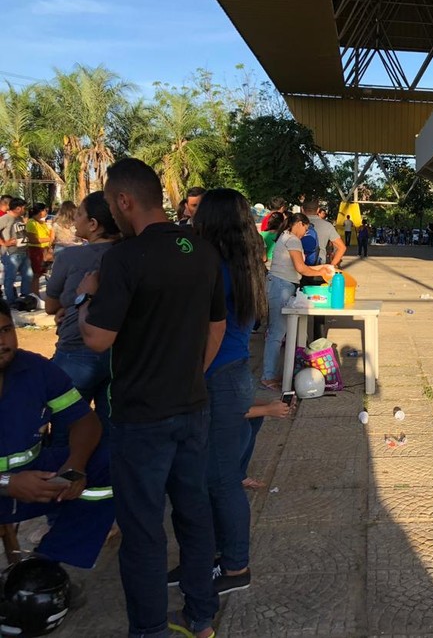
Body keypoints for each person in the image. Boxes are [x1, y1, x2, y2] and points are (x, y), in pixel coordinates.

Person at [77, 158, 224, 638]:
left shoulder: (122, 258)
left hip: (139, 415)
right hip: (192, 405)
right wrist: (191, 373)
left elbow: (97, 339)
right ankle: (202, 616)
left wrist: (85, 298)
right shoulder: (201, 250)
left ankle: (149, 630)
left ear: (123, 201)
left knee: (142, 531)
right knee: (193, 514)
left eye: (113, 203)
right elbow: (216, 325)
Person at [177, 188, 275, 595]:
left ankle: (234, 568)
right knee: (214, 476)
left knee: (221, 479)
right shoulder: (245, 262)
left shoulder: (213, 265)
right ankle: (209, 560)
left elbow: (211, 330)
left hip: (217, 375)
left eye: (199, 212)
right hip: (233, 372)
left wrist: (191, 374)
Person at [0, 299, 114, 579]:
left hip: (35, 482)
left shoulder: (32, 368)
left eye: (5, 330)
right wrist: (7, 483)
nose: (1, 341)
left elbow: (83, 420)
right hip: (8, 486)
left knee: (111, 461)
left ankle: (45, 568)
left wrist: (75, 466)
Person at [44, 192, 120, 432]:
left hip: (75, 350)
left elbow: (50, 306)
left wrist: (69, 306)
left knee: (67, 428)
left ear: (94, 224)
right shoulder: (127, 255)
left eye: (78, 214)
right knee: (110, 427)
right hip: (118, 354)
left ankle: (68, 470)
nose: (74, 219)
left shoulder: (70, 257)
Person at [260, 213, 336, 390]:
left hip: (281, 284)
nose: (305, 233)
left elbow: (301, 267)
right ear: (300, 224)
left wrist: (324, 268)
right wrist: (322, 272)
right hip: (282, 286)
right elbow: (301, 268)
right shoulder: (293, 239)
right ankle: (268, 376)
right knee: (277, 333)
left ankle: (274, 373)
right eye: (306, 229)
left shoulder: (286, 236)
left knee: (280, 332)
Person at [0, 198, 31, 303]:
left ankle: (25, 297)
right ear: (18, 208)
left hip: (23, 252)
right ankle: (11, 301)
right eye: (24, 208)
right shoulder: (6, 218)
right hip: (11, 253)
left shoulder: (19, 219)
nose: (25, 210)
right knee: (10, 278)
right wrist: (4, 243)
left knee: (28, 275)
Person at [25, 203, 52, 298]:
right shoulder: (31, 223)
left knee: (41, 272)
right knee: (36, 274)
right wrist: (50, 239)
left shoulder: (43, 223)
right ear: (40, 211)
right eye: (45, 210)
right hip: (36, 250)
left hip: (45, 250)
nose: (46, 212)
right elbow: (34, 239)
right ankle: (35, 295)